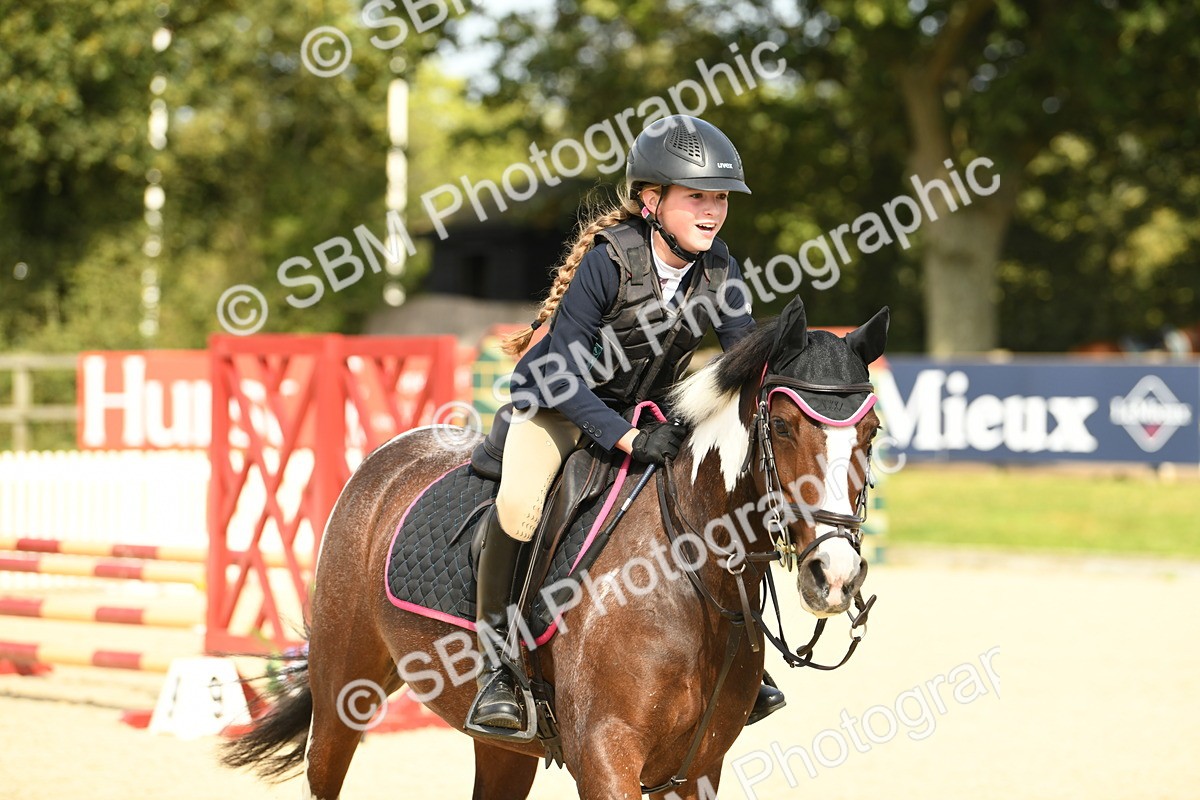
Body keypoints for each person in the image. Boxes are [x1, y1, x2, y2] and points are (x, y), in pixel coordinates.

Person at [469, 115, 786, 736]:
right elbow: (561, 375)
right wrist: (627, 438)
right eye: (697, 195)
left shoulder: (718, 266)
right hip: (559, 407)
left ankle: (741, 658)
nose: (713, 210)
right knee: (518, 507)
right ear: (651, 200)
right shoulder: (607, 263)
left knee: (723, 492)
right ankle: (497, 668)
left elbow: (742, 351)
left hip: (648, 408)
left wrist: (787, 372)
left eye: (719, 197)